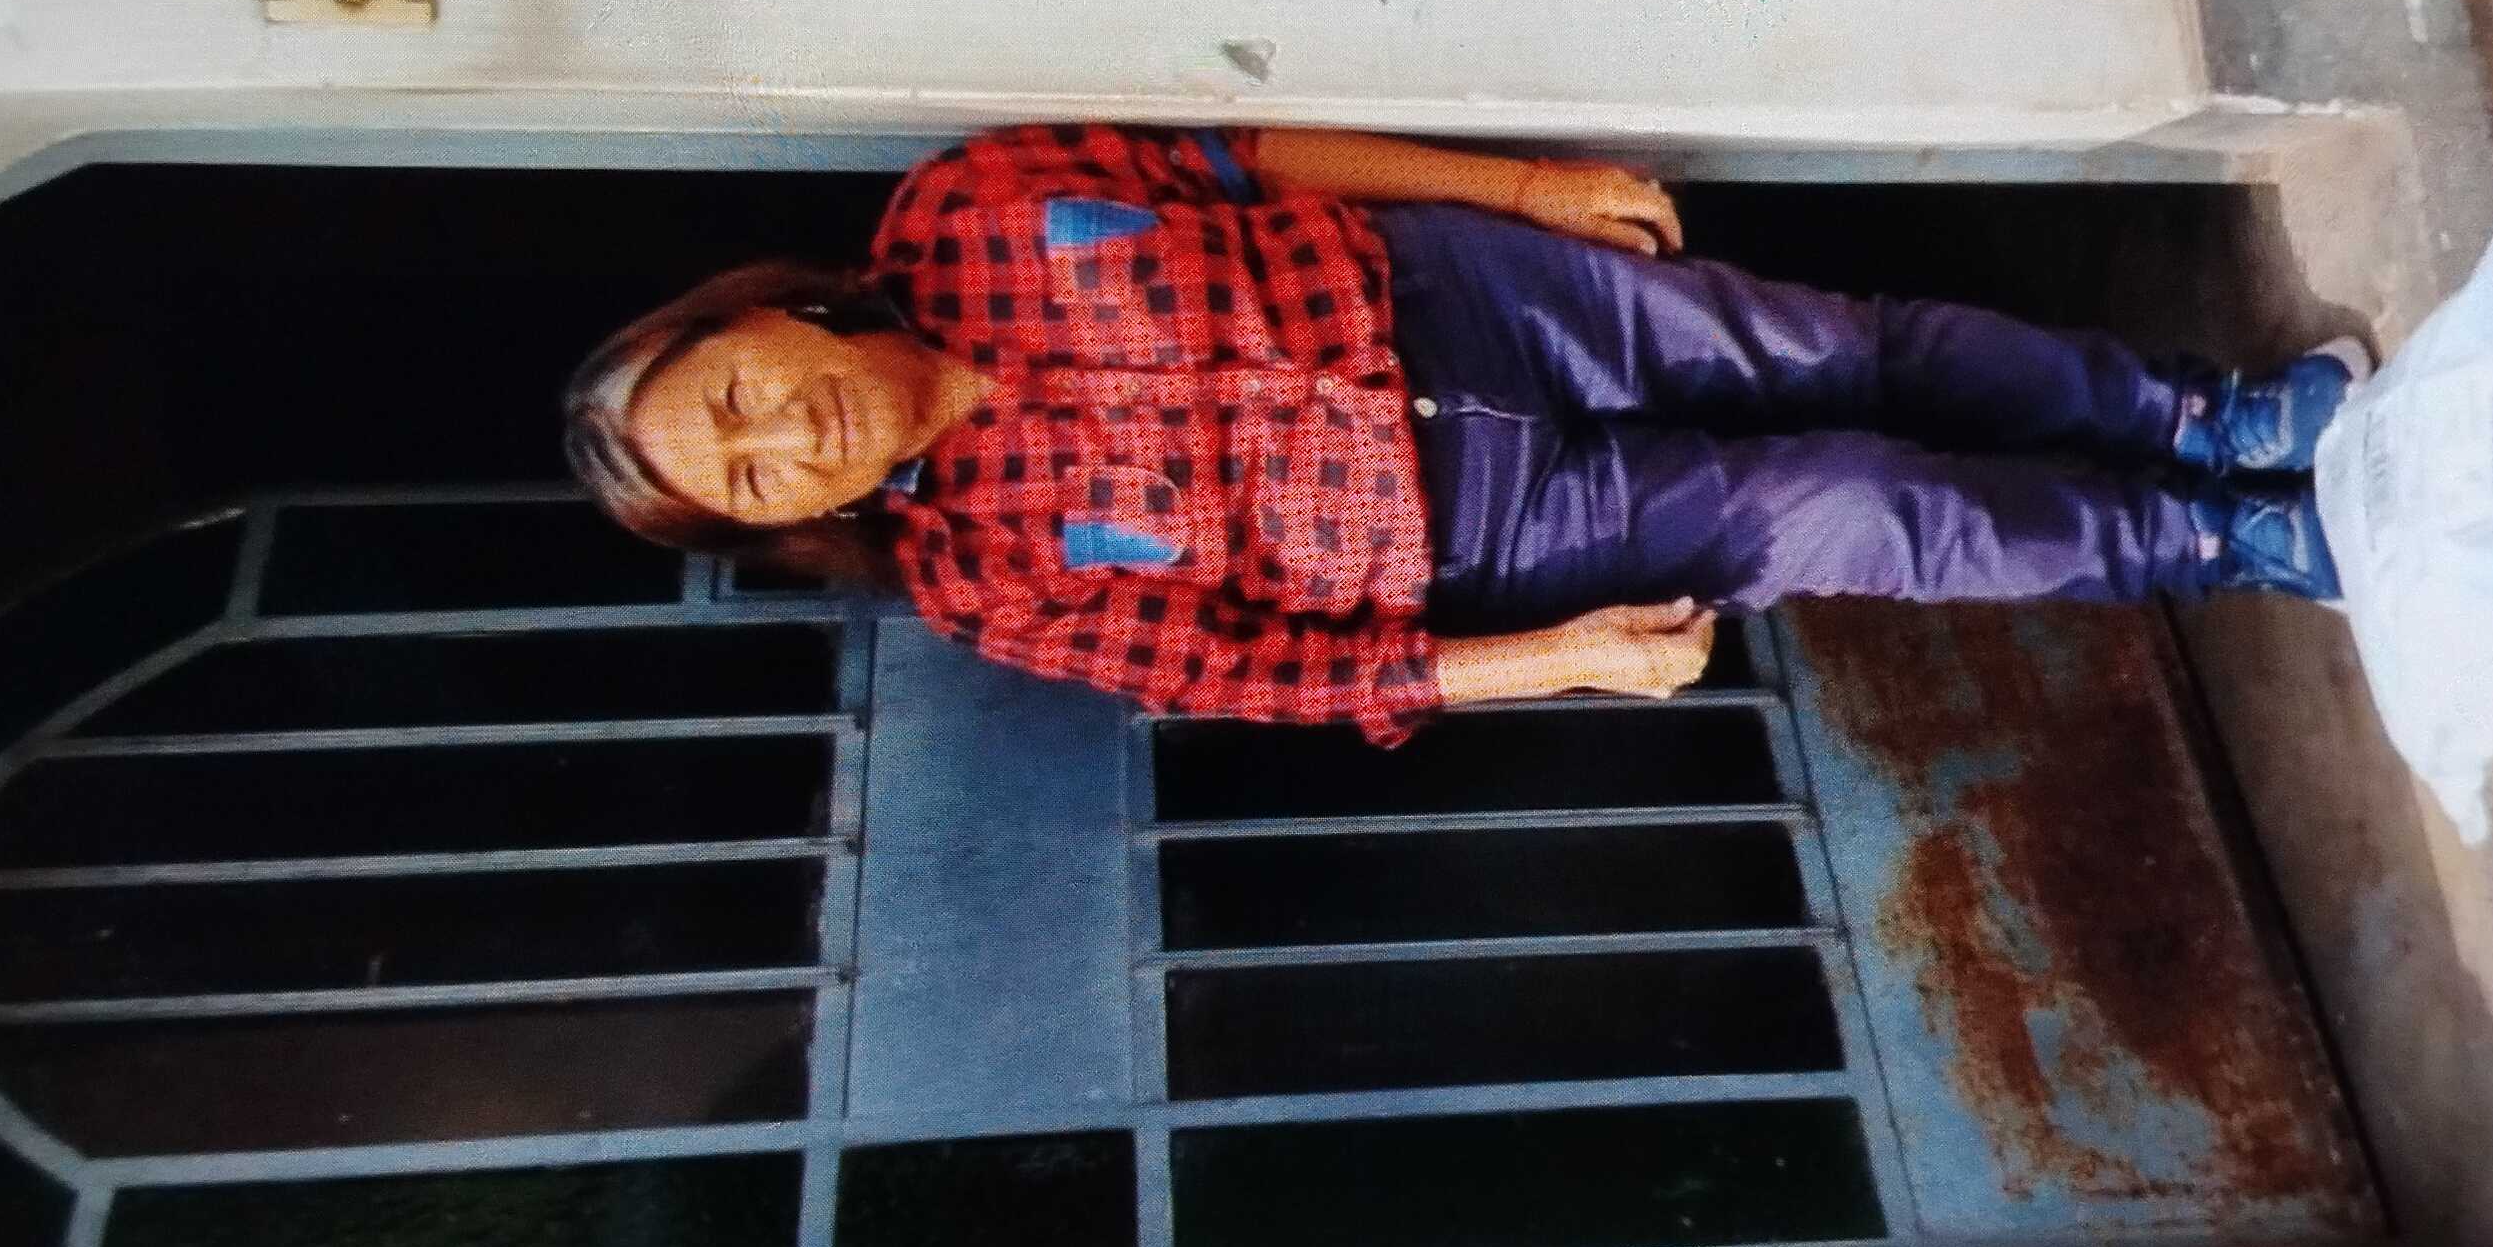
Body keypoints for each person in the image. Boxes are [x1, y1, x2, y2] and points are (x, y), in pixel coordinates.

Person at [563, 123, 2361, 745]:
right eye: (749, 481)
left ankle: (2210, 416)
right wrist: (1559, 658)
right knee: (1862, 512)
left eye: (733, 397)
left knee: (1849, 352)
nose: (781, 436)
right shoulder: (981, 583)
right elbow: (1265, 677)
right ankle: (2226, 537)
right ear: (789, 521)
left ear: (761, 315)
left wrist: (1521, 189)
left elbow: (1237, 161)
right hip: (1489, 529)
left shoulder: (961, 206)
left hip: (1461, 295)